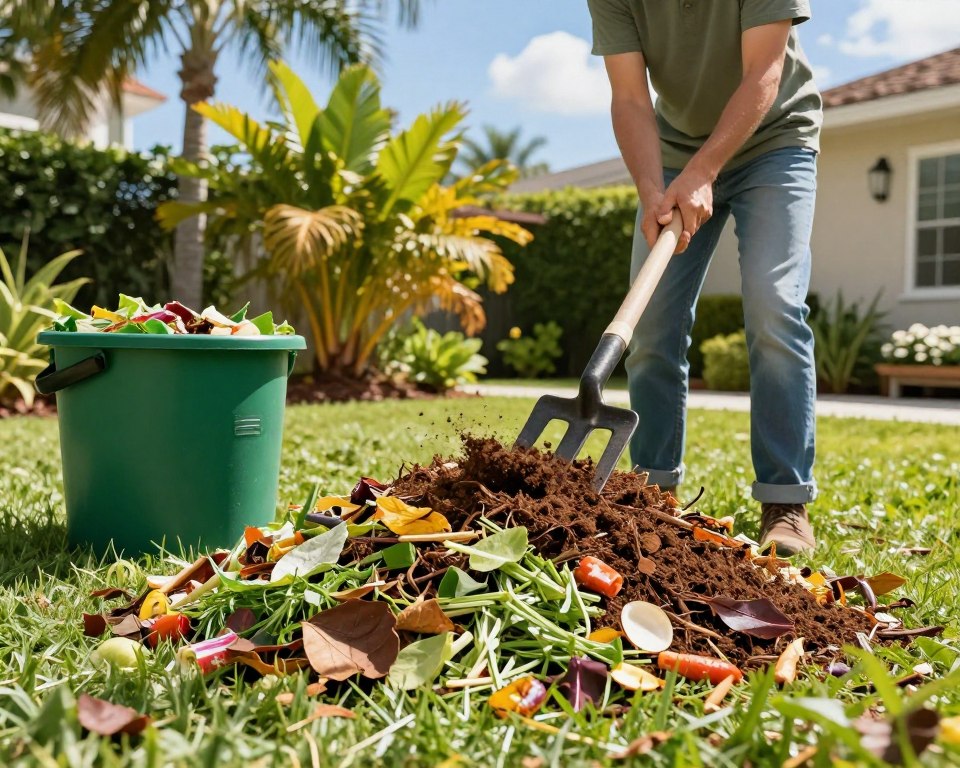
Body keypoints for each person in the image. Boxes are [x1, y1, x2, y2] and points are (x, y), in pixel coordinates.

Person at [586, 0, 822, 555]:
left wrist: (704, 171)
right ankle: (653, 493)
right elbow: (628, 95)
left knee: (773, 301)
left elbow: (764, 72)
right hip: (671, 150)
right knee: (655, 325)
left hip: (777, 138)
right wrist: (652, 188)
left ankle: (784, 499)